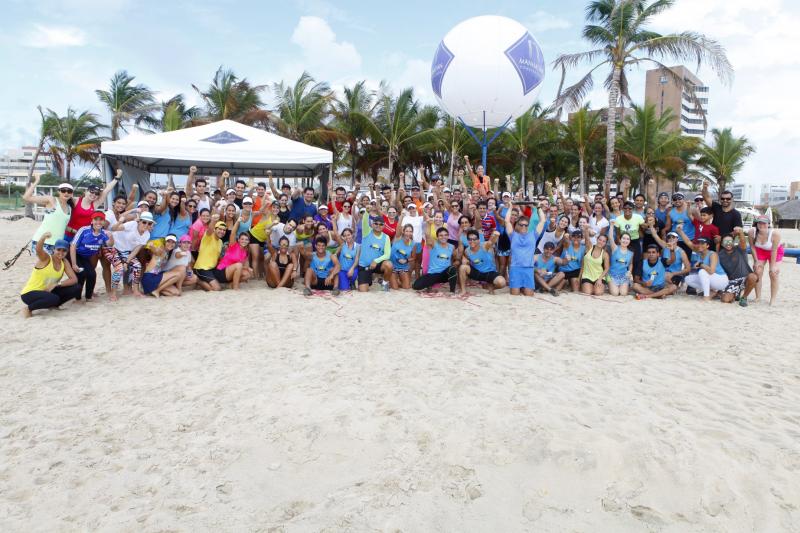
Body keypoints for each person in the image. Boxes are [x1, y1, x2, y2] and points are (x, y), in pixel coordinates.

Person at [20, 234, 79, 318]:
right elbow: (38, 250)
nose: (61, 253)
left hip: (48, 291)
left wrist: (57, 284)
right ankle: (28, 308)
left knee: (77, 288)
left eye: (64, 250)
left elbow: (74, 279)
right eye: (59, 249)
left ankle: (54, 305)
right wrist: (43, 238)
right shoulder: (46, 258)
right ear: (54, 249)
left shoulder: (64, 262)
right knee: (53, 298)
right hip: (29, 293)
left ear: (67, 252)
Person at [105, 211, 153, 299]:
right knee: (119, 268)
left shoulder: (147, 235)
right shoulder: (132, 224)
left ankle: (136, 291)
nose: (146, 225)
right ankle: (113, 293)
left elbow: (135, 250)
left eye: (149, 223)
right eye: (144, 222)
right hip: (113, 248)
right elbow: (113, 229)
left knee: (137, 265)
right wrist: (120, 221)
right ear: (139, 221)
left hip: (126, 251)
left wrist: (127, 262)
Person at [23, 176, 73, 254]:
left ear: (72, 194)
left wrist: (74, 231)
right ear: (59, 192)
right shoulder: (52, 200)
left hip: (57, 244)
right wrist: (36, 181)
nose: (66, 193)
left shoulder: (69, 208)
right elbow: (26, 197)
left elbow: (62, 225)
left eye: (69, 191)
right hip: (42, 241)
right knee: (43, 262)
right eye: (63, 190)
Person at [69, 211, 112, 302]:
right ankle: (78, 298)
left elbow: (109, 244)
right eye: (96, 219)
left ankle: (88, 297)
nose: (98, 222)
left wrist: (111, 236)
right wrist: (74, 264)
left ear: (104, 222)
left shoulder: (104, 233)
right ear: (92, 221)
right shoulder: (84, 230)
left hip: (86, 257)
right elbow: (73, 246)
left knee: (92, 274)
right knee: (81, 274)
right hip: (76, 254)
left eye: (101, 220)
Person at [64, 171, 119, 241]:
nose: (94, 194)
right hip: (70, 235)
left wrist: (117, 178)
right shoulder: (76, 201)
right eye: (92, 191)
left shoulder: (95, 204)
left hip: (84, 236)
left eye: (97, 193)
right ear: (86, 192)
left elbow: (106, 190)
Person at [504, 201, 545, 296]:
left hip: (528, 268)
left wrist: (538, 207)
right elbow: (507, 221)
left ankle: (524, 288)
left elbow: (542, 220)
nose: (523, 226)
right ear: (517, 224)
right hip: (515, 268)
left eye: (526, 225)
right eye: (521, 224)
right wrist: (510, 207)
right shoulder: (513, 235)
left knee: (529, 294)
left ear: (528, 226)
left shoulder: (533, 235)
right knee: (514, 294)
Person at [749, 215, 783, 305]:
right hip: (760, 251)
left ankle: (773, 299)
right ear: (756, 224)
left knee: (773, 273)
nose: (762, 225)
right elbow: (752, 247)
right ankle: (758, 297)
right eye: (759, 223)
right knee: (757, 271)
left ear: (768, 224)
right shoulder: (752, 232)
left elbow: (774, 251)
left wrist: (773, 266)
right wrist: (756, 261)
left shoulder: (775, 234)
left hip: (775, 251)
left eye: (764, 223)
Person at [458, 229, 506, 294]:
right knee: (463, 267)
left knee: (502, 283)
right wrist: (465, 260)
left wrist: (496, 235)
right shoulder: (467, 251)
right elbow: (467, 260)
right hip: (478, 273)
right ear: (467, 240)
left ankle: (490, 287)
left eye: (474, 239)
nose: (472, 241)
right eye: (470, 239)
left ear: (478, 240)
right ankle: (463, 290)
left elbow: (491, 242)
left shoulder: (484, 245)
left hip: (490, 272)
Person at [718, 228, 757, 306]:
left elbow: (743, 241)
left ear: (733, 242)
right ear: (722, 244)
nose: (728, 243)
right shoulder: (720, 254)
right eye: (725, 241)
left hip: (744, 278)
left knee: (753, 277)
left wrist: (740, 232)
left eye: (730, 241)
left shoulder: (739, 249)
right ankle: (735, 295)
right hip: (732, 281)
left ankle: (744, 297)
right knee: (725, 299)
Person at [683, 237, 729, 301]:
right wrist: (680, 232)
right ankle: (712, 291)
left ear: (707, 246)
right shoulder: (699, 253)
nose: (700, 245)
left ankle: (706, 296)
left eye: (702, 243)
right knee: (688, 279)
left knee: (702, 272)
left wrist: (700, 265)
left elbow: (711, 271)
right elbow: (688, 242)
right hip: (712, 279)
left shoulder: (712, 254)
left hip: (721, 280)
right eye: (699, 243)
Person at [413, 227, 457, 292]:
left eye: (445, 235)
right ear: (437, 237)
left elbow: (455, 258)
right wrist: (428, 224)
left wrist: (456, 263)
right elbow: (427, 235)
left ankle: (452, 291)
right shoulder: (433, 244)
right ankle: (432, 283)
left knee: (452, 269)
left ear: (448, 236)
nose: (443, 237)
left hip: (445, 274)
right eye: (441, 235)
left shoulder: (452, 247)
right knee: (416, 286)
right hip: (433, 274)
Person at [357, 218, 393, 292]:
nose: (378, 225)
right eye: (376, 223)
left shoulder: (386, 237)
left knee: (389, 264)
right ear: (372, 224)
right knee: (363, 290)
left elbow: (387, 255)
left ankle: (384, 283)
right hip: (365, 266)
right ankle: (368, 279)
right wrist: (367, 212)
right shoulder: (367, 232)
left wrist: (376, 261)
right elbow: (365, 220)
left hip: (377, 265)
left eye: (381, 224)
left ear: (384, 226)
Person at [193, 215, 227, 291]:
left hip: (212, 269)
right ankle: (198, 281)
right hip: (201, 268)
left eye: (224, 230)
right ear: (215, 229)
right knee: (216, 288)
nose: (222, 231)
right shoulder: (209, 236)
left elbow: (219, 257)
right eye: (220, 229)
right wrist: (213, 220)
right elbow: (209, 230)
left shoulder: (220, 242)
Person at [215, 224, 253, 290]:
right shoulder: (233, 245)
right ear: (238, 240)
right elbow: (233, 233)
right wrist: (238, 221)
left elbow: (245, 266)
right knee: (239, 265)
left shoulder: (245, 251)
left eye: (246, 239)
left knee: (247, 274)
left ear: (248, 241)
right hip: (221, 271)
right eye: (242, 239)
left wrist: (248, 268)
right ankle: (236, 287)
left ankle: (230, 285)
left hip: (231, 272)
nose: (244, 241)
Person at [614, 201, 645, 277]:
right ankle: (623, 276)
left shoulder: (638, 217)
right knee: (624, 260)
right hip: (624, 242)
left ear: (633, 209)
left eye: (630, 208)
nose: (627, 210)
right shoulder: (618, 219)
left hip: (635, 241)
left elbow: (644, 228)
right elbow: (617, 234)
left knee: (637, 259)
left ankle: (635, 277)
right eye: (625, 208)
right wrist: (620, 244)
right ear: (622, 209)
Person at [578, 230, 609, 296]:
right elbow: (587, 238)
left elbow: (606, 268)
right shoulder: (589, 247)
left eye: (604, 241)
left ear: (605, 243)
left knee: (598, 293)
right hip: (587, 276)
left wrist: (600, 279)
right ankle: (588, 286)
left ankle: (596, 286)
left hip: (599, 277)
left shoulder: (605, 254)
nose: (601, 242)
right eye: (600, 240)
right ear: (597, 239)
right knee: (588, 292)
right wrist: (586, 229)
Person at [606, 224, 633, 296]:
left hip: (623, 276)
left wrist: (630, 271)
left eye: (627, 239)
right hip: (612, 275)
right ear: (620, 239)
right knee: (615, 293)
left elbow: (630, 264)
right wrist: (612, 226)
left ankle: (622, 286)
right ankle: (609, 285)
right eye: (623, 238)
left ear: (630, 241)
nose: (625, 240)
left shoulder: (631, 253)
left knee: (623, 293)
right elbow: (610, 237)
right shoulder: (615, 248)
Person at [390, 222, 416, 290]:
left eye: (410, 231)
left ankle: (397, 280)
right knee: (395, 288)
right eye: (407, 231)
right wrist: (402, 216)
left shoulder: (413, 243)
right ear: (403, 232)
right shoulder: (397, 238)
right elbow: (398, 227)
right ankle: (391, 279)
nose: (408, 233)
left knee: (406, 288)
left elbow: (413, 257)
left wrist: (406, 260)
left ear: (412, 233)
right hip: (393, 267)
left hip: (403, 268)